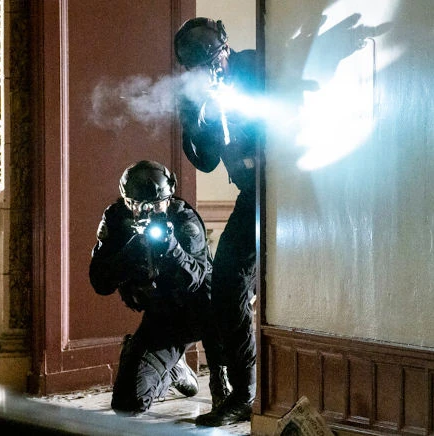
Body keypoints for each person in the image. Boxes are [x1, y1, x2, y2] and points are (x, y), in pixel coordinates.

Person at [89, 160, 229, 415]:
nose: (147, 212)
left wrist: (172, 248)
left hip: (199, 312)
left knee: (218, 298)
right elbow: (100, 282)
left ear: (168, 199)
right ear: (126, 201)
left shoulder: (183, 219)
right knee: (127, 403)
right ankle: (173, 369)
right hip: (162, 317)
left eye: (156, 205)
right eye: (137, 204)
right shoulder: (117, 219)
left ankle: (221, 378)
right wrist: (130, 251)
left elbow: (196, 279)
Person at [174, 17, 261, 426]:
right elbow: (206, 162)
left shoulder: (257, 66)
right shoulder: (199, 96)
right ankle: (243, 394)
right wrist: (192, 122)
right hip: (253, 195)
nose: (211, 74)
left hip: (287, 188)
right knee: (226, 284)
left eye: (214, 63)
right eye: (199, 70)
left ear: (225, 49)